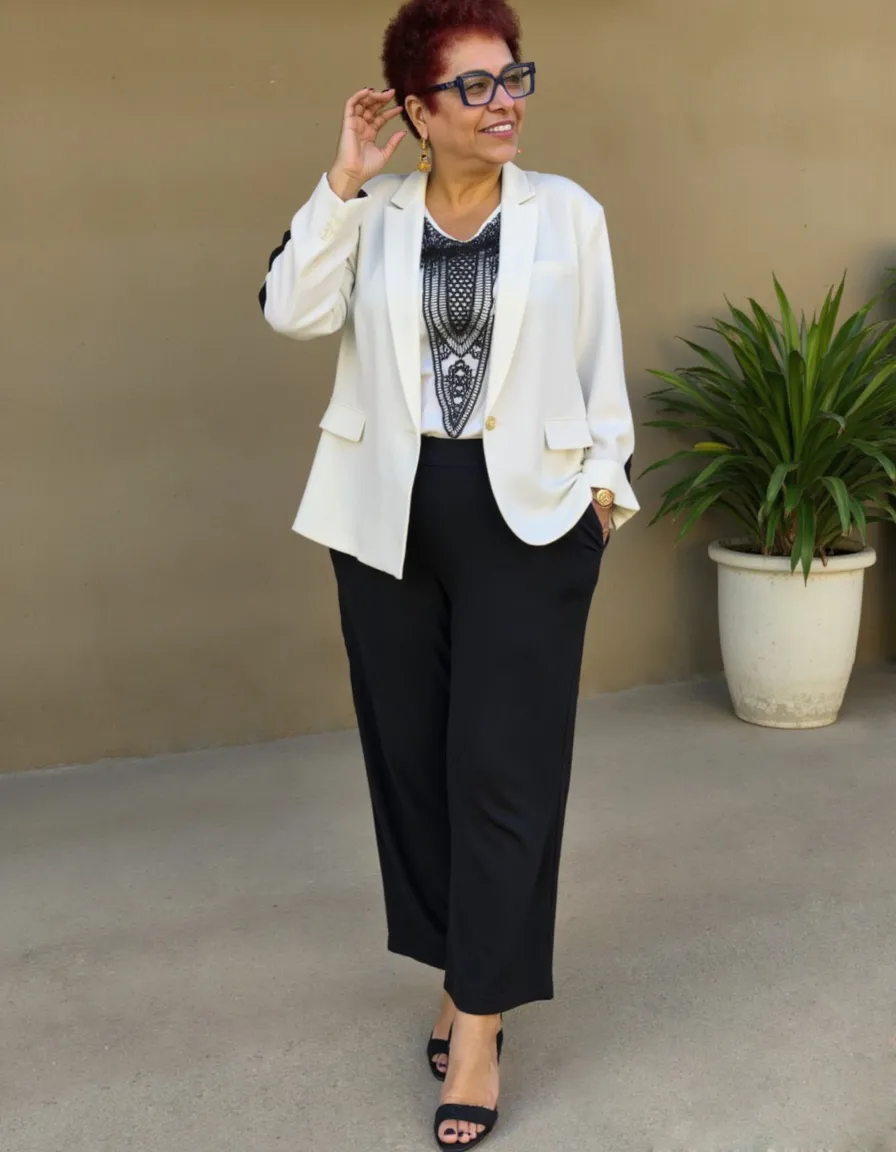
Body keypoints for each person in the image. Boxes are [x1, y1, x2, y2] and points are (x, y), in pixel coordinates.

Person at [259, 0, 639, 1145]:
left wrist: (604, 495)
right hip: (385, 515)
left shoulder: (565, 214)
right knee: (415, 764)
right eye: (472, 86)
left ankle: (477, 1023)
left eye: (511, 77)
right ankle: (456, 966)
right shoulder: (369, 212)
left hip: (529, 515)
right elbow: (290, 312)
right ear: (416, 112)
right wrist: (340, 178)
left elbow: (599, 365)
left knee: (502, 769)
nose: (502, 100)